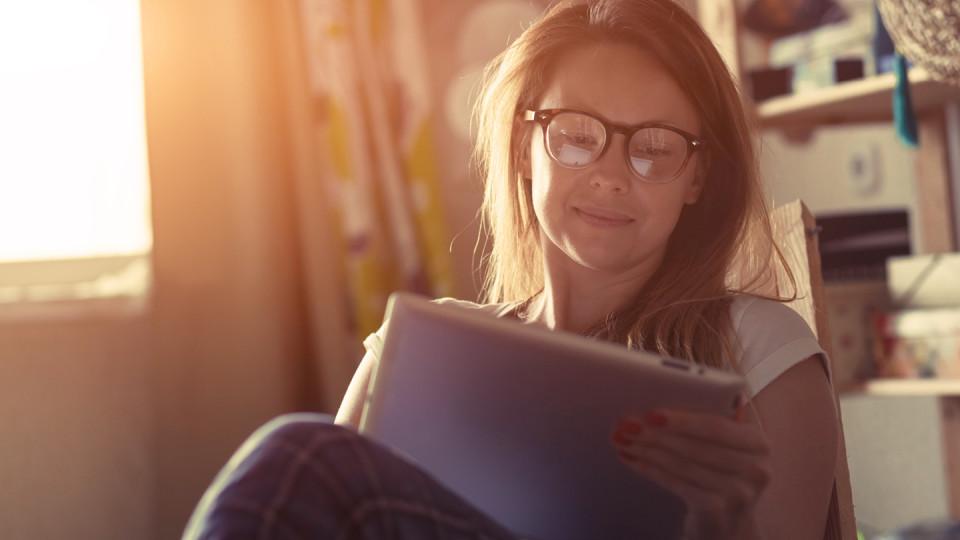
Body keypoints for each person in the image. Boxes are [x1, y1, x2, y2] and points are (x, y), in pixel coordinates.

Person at [184, 1, 840, 538]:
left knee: (297, 455)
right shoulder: (415, 349)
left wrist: (724, 530)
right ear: (527, 147)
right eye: (579, 136)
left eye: (654, 148)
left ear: (696, 176)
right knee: (300, 455)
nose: (611, 176)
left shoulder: (765, 350)